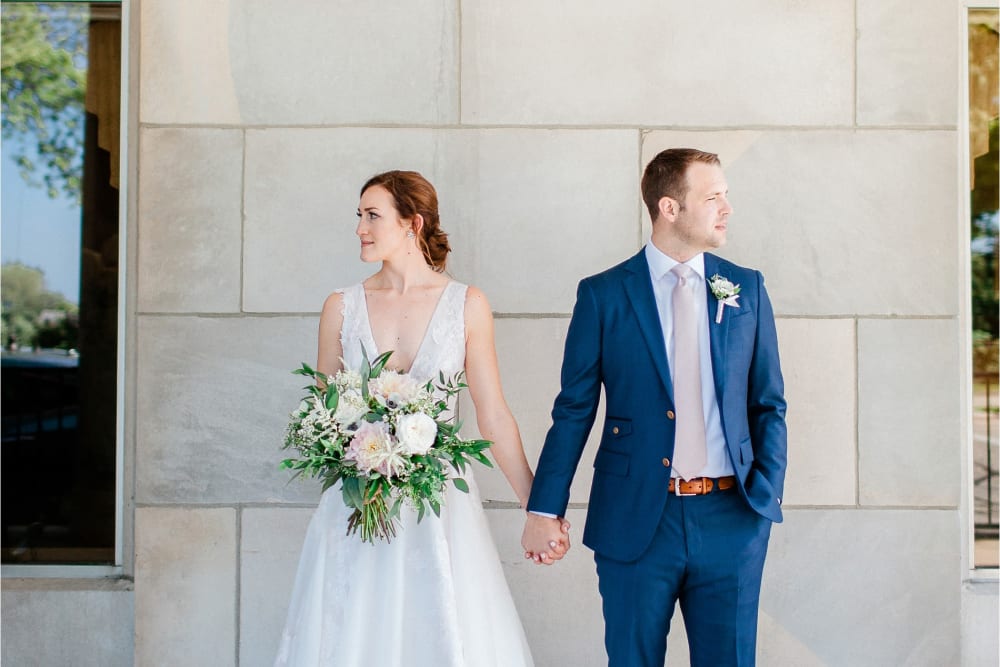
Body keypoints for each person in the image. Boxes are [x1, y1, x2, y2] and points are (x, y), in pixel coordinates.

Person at [275, 170, 567, 666]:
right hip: (357, 502)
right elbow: (320, 415)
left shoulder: (466, 305)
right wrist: (347, 449)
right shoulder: (341, 307)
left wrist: (536, 507)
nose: (359, 227)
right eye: (359, 215)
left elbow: (493, 416)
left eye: (372, 215)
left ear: (413, 222)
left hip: (439, 509)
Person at [521, 149, 787, 666]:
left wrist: (764, 495)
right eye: (713, 197)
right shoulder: (602, 295)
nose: (726, 208)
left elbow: (768, 404)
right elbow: (573, 410)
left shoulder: (746, 288)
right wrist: (544, 508)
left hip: (731, 517)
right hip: (636, 519)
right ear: (670, 207)